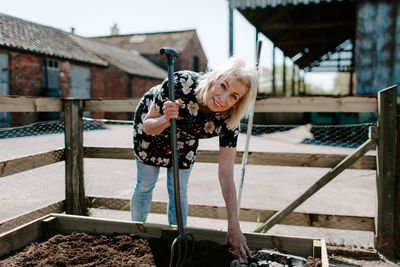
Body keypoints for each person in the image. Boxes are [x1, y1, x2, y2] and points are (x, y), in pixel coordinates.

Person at [131, 57, 258, 262]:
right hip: (155, 126)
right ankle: (135, 234)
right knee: (146, 184)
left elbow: (226, 175)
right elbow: (148, 125)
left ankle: (177, 239)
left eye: (233, 96)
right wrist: (164, 119)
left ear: (238, 102)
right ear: (215, 78)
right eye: (223, 86)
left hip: (185, 139)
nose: (223, 98)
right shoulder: (180, 84)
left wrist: (234, 226)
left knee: (179, 191)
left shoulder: (229, 120)